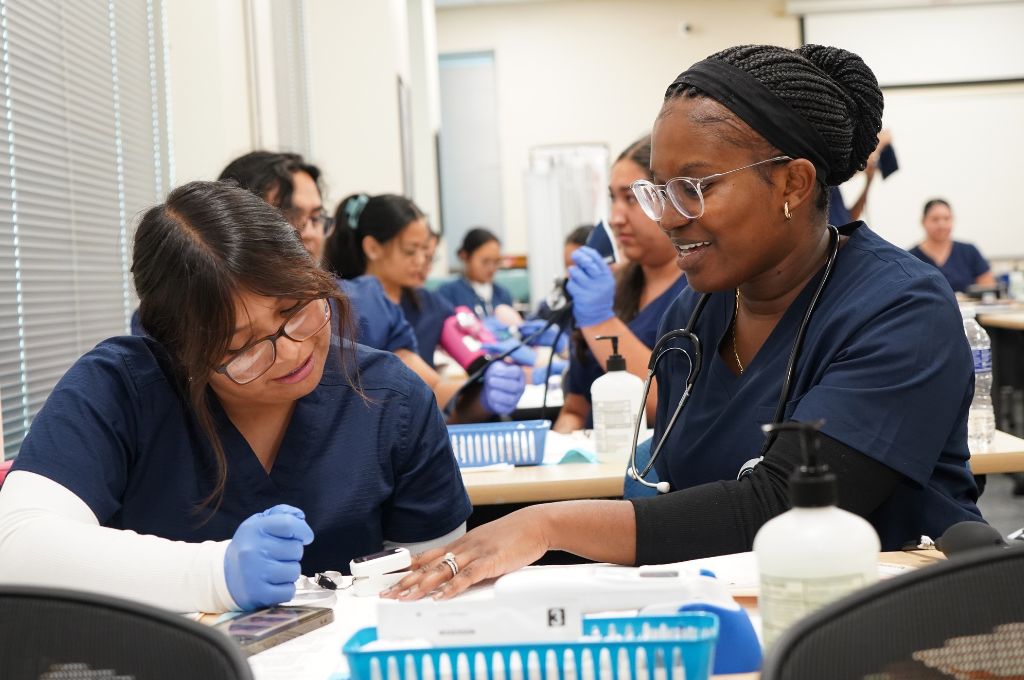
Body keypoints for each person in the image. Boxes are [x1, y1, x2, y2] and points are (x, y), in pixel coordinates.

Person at [384, 43, 983, 601]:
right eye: (658, 191)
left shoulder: (901, 308)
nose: (669, 217)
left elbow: (780, 507)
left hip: (880, 616)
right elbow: (674, 488)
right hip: (721, 604)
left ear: (793, 183)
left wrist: (548, 522)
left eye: (693, 188)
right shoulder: (698, 312)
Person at [0, 181, 471, 613]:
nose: (289, 351)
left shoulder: (389, 397)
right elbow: (16, 546)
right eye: (241, 346)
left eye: (295, 309)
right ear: (179, 350)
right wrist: (214, 573)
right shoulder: (120, 391)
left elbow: (444, 582)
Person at [219, 152, 524, 420]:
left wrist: (483, 395)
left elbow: (428, 394)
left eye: (314, 217)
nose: (307, 232)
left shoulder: (363, 305)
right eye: (287, 216)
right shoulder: (207, 320)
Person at [323, 193, 526, 419]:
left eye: (426, 252)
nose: (421, 261)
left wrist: (492, 384)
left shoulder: (430, 305)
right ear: (372, 247)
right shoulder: (348, 304)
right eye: (410, 251)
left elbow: (447, 382)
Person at [555, 136, 687, 432]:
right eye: (613, 198)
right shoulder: (607, 290)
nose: (615, 218)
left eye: (631, 199)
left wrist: (601, 322)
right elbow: (575, 408)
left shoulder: (700, 294)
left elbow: (669, 407)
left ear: (670, 198)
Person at [909, 198, 995, 293]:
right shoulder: (910, 258)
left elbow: (988, 288)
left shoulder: (969, 251)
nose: (942, 225)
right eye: (935, 219)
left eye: (947, 218)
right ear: (923, 221)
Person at [437, 228, 522, 323]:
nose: (491, 268)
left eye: (496, 261)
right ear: (465, 256)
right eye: (485, 261)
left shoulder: (503, 295)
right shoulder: (448, 294)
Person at [827, 129, 893, 226]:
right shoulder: (824, 178)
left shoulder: (833, 191)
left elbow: (850, 221)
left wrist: (868, 182)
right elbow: (843, 170)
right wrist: (877, 147)